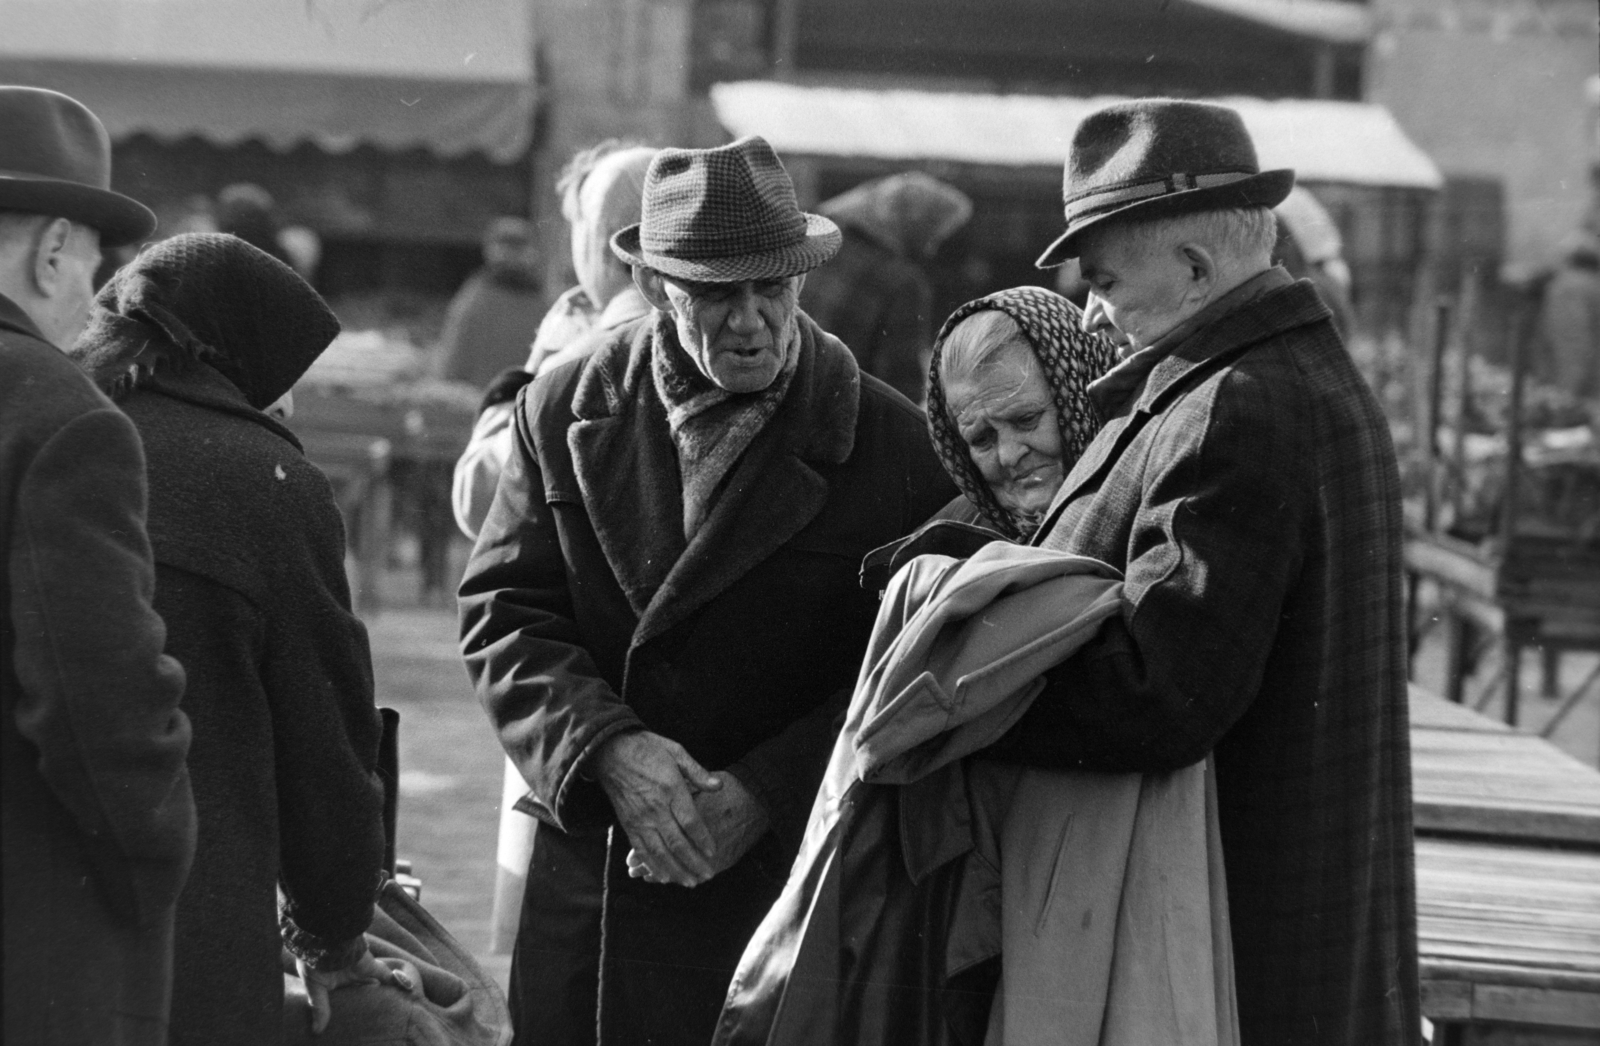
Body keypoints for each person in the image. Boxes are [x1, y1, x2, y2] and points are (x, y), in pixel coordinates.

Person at [458, 135, 954, 1046]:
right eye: (719, 293)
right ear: (652, 288)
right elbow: (504, 613)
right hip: (596, 885)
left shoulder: (894, 449)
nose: (753, 321)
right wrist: (606, 750)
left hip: (777, 899)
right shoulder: (561, 409)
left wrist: (767, 789)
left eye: (775, 289)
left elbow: (916, 671)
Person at [990, 99, 1420, 1044]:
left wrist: (966, 671)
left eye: (1103, 279)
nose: (1090, 311)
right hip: (1285, 928)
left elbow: (1160, 694)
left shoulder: (1235, 405)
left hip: (1228, 955)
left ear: (1193, 267)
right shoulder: (1287, 377)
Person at [71, 233, 407, 1044]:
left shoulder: (46, 426)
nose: (286, 402)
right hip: (195, 929)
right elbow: (323, 743)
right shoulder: (266, 483)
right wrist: (332, 933)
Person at [0, 85, 196, 1046]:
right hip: (31, 926)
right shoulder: (60, 414)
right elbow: (96, 700)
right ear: (50, 251)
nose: (94, 298)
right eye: (91, 265)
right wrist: (158, 854)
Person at [453, 142, 659, 540]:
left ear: (596, 238)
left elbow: (478, 500)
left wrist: (536, 369)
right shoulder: (707, 331)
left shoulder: (576, 360)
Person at [800, 172, 972, 404]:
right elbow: (901, 388)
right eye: (932, 235)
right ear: (913, 226)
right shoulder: (901, 283)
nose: (931, 249)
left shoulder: (809, 253)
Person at [436, 216, 548, 389]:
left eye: (517, 247)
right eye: (507, 246)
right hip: (483, 398)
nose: (511, 254)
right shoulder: (476, 298)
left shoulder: (539, 303)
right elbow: (453, 359)